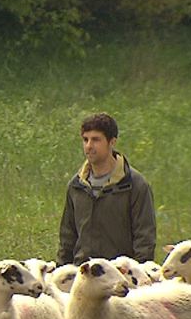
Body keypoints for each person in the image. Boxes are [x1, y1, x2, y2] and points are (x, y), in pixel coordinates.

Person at [57, 112, 156, 266]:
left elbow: (145, 239)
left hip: (120, 277)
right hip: (83, 274)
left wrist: (138, 276)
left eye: (96, 140)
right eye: (85, 140)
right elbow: (67, 237)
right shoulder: (76, 186)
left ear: (112, 142)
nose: (89, 146)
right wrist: (61, 272)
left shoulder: (134, 185)